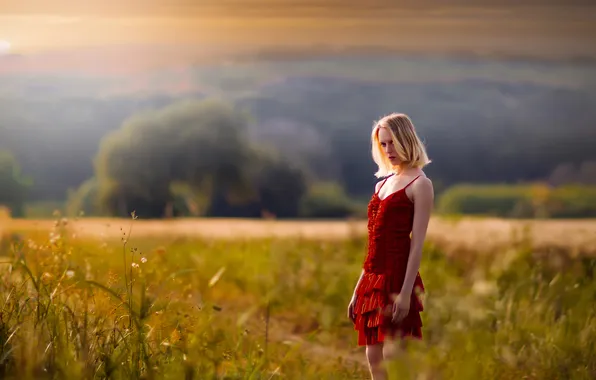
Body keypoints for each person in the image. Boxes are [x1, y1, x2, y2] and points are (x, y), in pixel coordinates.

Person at [348, 113, 434, 380]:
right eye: (383, 144)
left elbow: (417, 244)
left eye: (393, 143)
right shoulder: (381, 183)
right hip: (372, 276)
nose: (388, 150)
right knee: (372, 356)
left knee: (393, 356)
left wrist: (406, 294)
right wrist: (358, 288)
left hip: (398, 277)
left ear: (407, 141)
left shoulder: (421, 185)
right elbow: (374, 240)